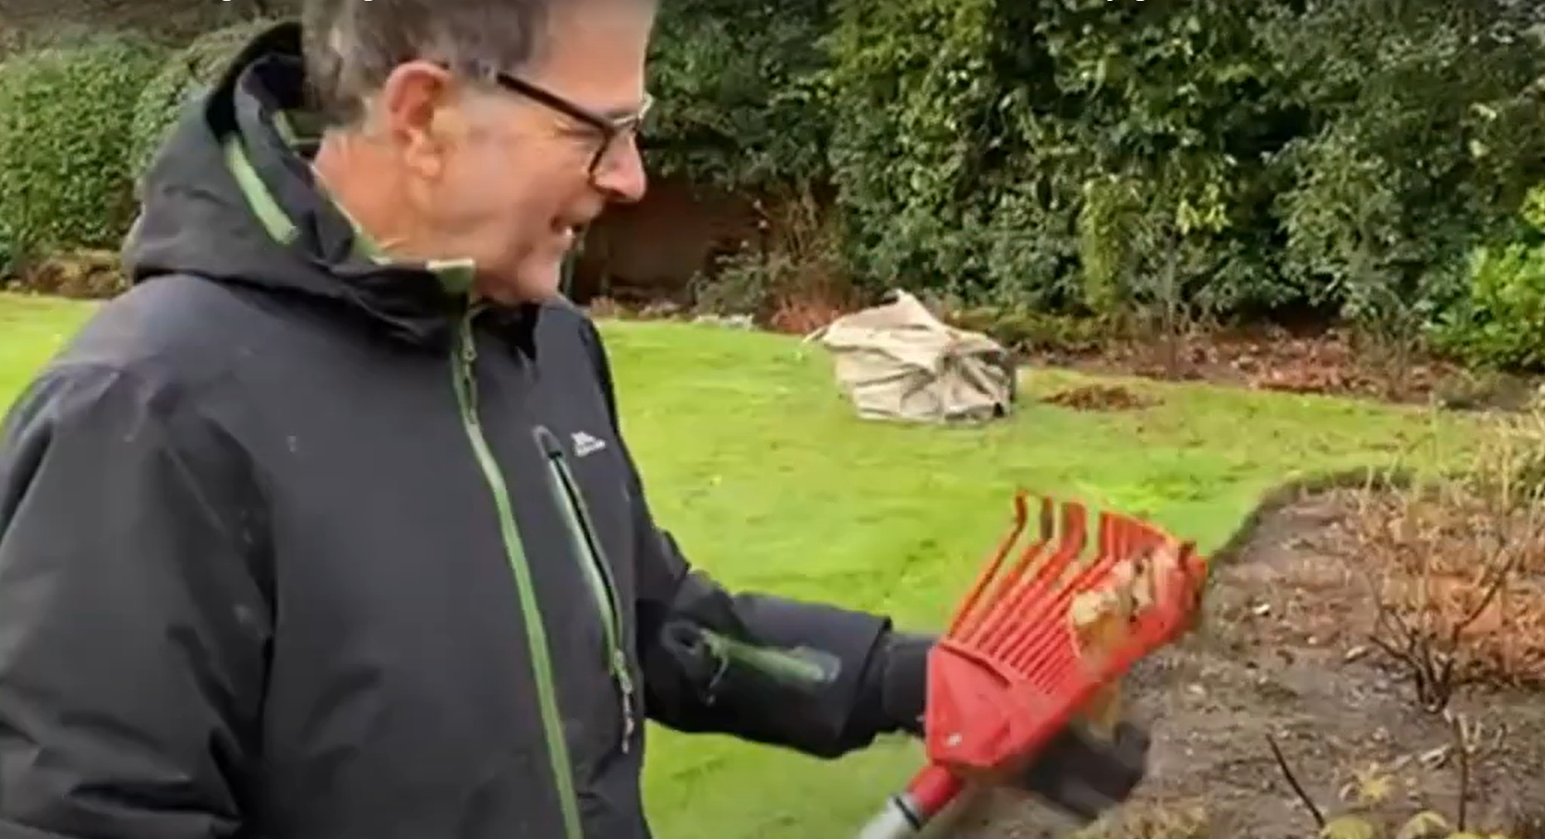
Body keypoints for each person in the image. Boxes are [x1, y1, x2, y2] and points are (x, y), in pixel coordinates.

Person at [0, 2, 1151, 837]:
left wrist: (915, 679)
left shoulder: (541, 342)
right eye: (600, 129)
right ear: (425, 116)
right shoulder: (148, 413)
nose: (635, 178)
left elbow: (651, 625)